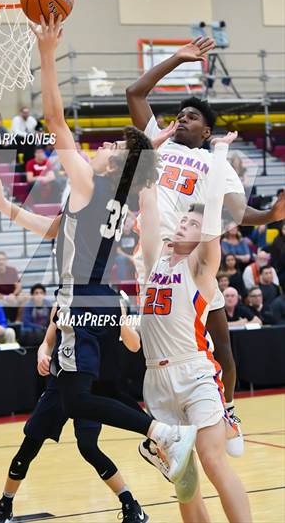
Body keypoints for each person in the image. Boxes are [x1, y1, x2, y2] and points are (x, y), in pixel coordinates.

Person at [0, 14, 198, 510]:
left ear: (114, 163)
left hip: (79, 303)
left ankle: (161, 430)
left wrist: (47, 55)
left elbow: (55, 120)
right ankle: (159, 435)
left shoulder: (88, 183)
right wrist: (5, 208)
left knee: (75, 403)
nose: (100, 148)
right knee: (77, 403)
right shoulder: (118, 193)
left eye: (110, 146)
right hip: (103, 305)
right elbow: (57, 230)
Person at [126, 35, 285, 409]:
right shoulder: (160, 142)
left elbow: (235, 212)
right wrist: (177, 59)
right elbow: (135, 93)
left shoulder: (218, 165)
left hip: (197, 257)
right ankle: (166, 411)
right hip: (155, 254)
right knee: (156, 340)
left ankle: (227, 409)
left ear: (207, 132)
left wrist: (270, 216)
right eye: (180, 115)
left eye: (191, 117)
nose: (182, 119)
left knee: (221, 343)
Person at [137, 133, 252, 522]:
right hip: (154, 380)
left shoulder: (200, 269)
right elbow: (148, 199)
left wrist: (219, 152)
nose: (183, 223)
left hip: (195, 372)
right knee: (183, 482)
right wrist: (149, 150)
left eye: (191, 223)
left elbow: (214, 207)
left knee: (213, 461)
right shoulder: (154, 258)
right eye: (182, 218)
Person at [0, 304, 146, 523]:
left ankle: (131, 504)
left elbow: (134, 345)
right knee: (29, 446)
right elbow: (47, 343)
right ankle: (5, 505)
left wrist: (119, 320)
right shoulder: (62, 302)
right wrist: (41, 357)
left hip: (90, 383)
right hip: (59, 382)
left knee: (88, 447)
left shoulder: (109, 302)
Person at [0, 251, 27, 321]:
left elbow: (19, 286)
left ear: (6, 261)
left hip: (12, 296)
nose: (1, 262)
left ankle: (18, 321)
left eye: (3, 259)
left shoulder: (12, 270)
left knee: (25, 297)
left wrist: (13, 295)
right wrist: (5, 297)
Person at [115, 214, 139, 281]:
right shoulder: (119, 235)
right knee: (121, 259)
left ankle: (138, 282)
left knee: (140, 258)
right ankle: (122, 282)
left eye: (128, 222)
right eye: (125, 223)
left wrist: (135, 256)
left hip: (133, 255)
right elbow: (118, 250)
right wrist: (129, 257)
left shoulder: (135, 235)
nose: (127, 224)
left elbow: (138, 248)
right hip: (123, 255)